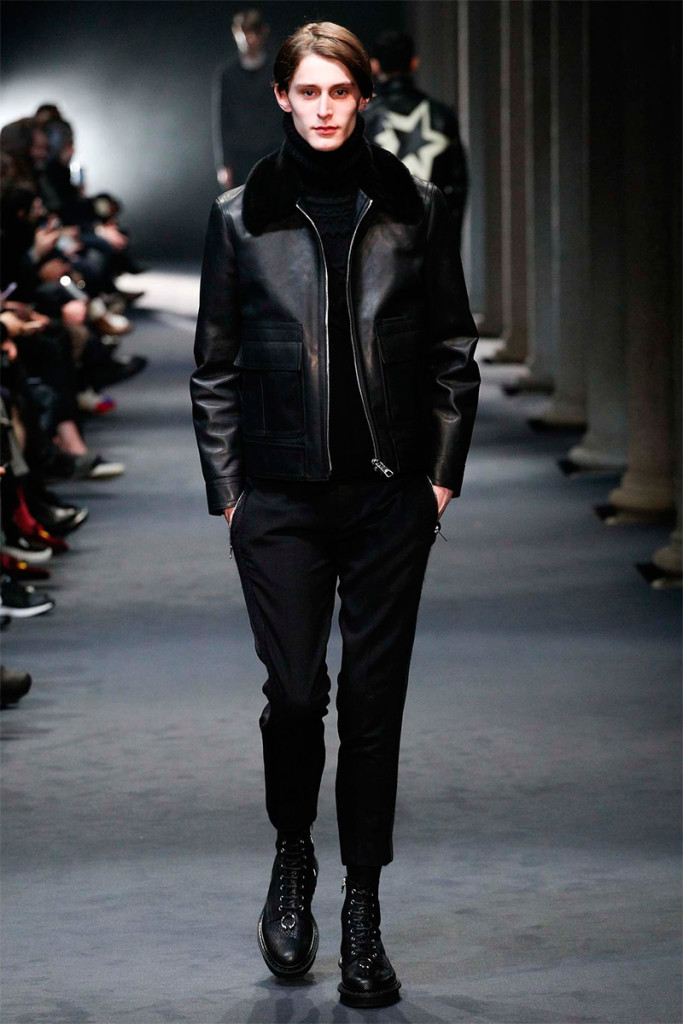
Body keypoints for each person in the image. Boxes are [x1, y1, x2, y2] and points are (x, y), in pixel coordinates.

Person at [191, 21, 479, 1008]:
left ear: (363, 96)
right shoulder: (240, 218)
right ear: (282, 96)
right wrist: (229, 494)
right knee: (292, 695)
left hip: (389, 497)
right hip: (276, 500)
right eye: (307, 91)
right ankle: (292, 853)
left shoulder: (413, 207)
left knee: (372, 707)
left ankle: (362, 908)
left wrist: (437, 479)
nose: (322, 107)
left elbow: (451, 349)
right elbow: (212, 365)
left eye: (338, 91)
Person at [365, 29, 469, 248]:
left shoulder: (365, 118)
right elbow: (457, 187)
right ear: (414, 63)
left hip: (380, 240)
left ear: (374, 65)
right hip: (430, 236)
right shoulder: (442, 115)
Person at [212, 8, 282, 190]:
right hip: (241, 157)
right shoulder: (227, 74)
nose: (248, 38)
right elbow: (222, 120)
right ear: (235, 33)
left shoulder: (278, 69)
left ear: (264, 32)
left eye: (253, 32)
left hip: (274, 151)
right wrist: (224, 164)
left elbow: (288, 113)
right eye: (243, 32)